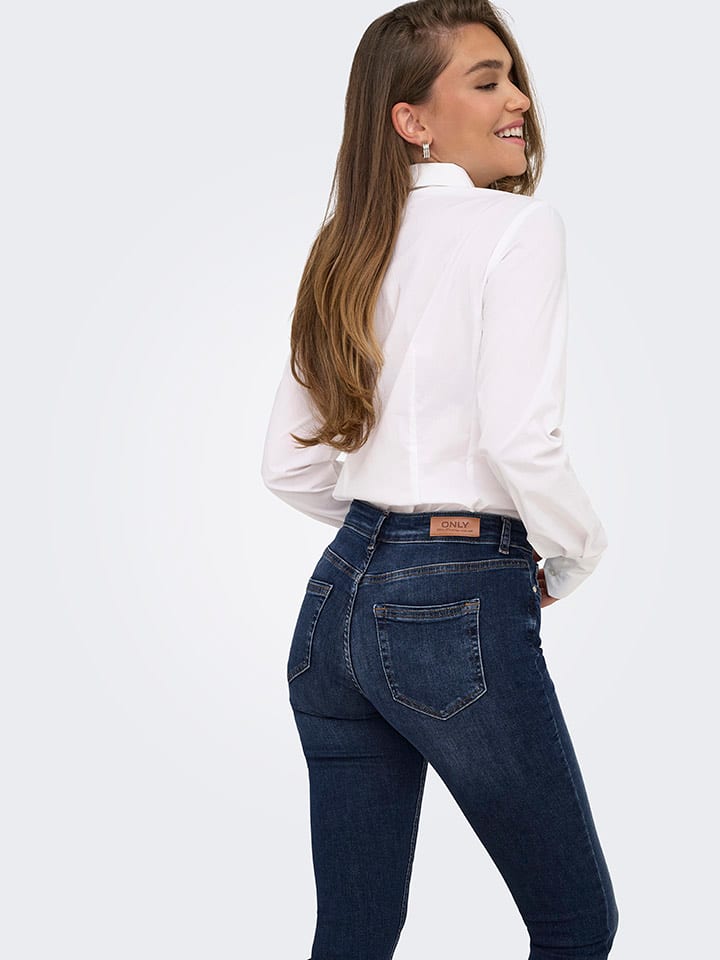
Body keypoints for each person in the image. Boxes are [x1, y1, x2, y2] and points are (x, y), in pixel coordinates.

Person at [260, 1, 619, 957]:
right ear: (411, 119)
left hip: (333, 607)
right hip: (455, 601)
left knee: (355, 931)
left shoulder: (347, 244)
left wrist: (384, 536)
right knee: (577, 923)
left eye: (514, 76)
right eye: (487, 80)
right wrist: (573, 555)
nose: (520, 99)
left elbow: (289, 463)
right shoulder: (518, 228)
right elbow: (520, 438)